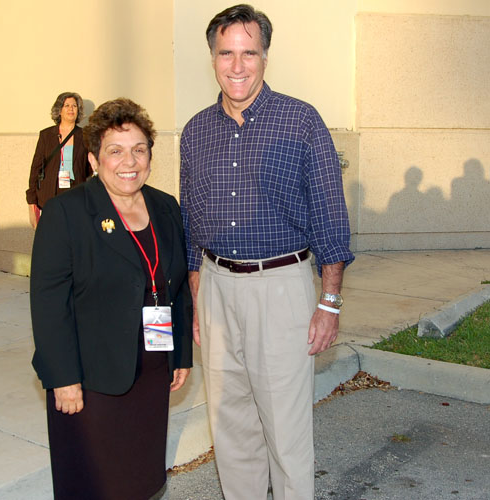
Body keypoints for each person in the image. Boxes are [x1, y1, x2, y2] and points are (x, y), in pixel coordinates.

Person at [180, 4, 354, 499]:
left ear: (265, 56)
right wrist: (197, 298)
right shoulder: (195, 131)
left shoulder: (301, 122)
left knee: (286, 433)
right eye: (226, 53)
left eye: (248, 53)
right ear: (212, 58)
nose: (237, 66)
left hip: (282, 289)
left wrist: (329, 302)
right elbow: (192, 223)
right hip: (215, 288)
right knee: (230, 429)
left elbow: (330, 219)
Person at [30, 98, 193, 500]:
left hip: (152, 370)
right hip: (91, 377)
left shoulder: (165, 207)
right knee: (93, 480)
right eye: (115, 151)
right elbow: (49, 304)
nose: (129, 161)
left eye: (139, 149)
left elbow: (177, 289)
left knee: (139, 474)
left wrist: (180, 354)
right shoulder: (66, 213)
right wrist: (63, 378)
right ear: (93, 158)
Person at [26, 91, 92, 228]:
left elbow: (88, 167)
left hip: (75, 191)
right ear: (59, 110)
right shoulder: (46, 135)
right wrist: (31, 200)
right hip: (50, 192)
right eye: (66, 105)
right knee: (53, 234)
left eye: (74, 106)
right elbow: (36, 168)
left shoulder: (85, 135)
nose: (71, 109)